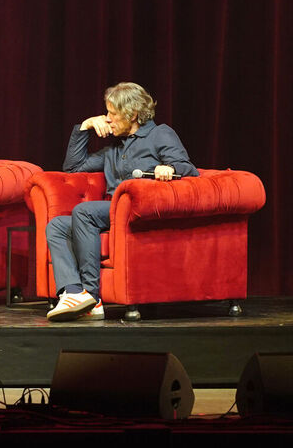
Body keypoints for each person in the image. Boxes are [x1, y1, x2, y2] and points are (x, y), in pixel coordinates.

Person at [46, 81, 198, 321]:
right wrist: (85, 127)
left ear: (133, 115)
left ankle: (92, 296)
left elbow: (188, 168)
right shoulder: (115, 147)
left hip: (140, 210)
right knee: (57, 225)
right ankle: (75, 291)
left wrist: (167, 168)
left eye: (113, 114)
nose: (107, 120)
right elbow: (73, 167)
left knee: (84, 212)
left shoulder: (160, 134)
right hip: (113, 211)